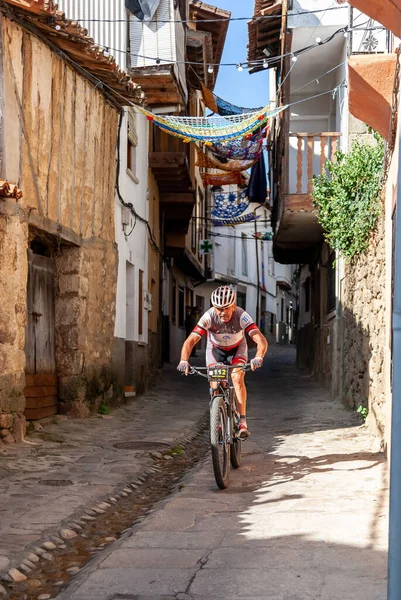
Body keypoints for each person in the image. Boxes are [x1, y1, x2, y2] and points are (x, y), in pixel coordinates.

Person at [177, 285, 268, 438]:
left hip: (237, 349)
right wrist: (183, 360)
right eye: (218, 308)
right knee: (215, 382)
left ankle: (242, 422)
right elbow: (191, 340)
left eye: (226, 308)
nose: (222, 312)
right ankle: (217, 418)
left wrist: (258, 357)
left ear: (233, 305)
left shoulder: (241, 316)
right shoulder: (209, 316)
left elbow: (261, 340)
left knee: (237, 378)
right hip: (215, 350)